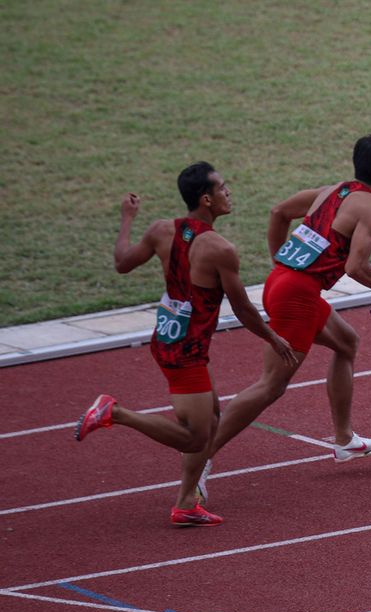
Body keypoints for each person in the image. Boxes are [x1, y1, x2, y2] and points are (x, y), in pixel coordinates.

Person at [75, 162, 297, 526]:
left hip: (167, 338)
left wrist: (127, 217)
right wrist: (273, 337)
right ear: (206, 199)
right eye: (224, 188)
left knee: (209, 420)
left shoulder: (161, 230)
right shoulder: (220, 249)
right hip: (187, 351)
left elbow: (121, 263)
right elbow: (241, 307)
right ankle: (114, 412)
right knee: (195, 439)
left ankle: (185, 503)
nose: (230, 193)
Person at [196, 134, 371, 495]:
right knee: (271, 385)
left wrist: (281, 261)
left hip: (286, 282)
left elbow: (278, 211)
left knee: (346, 343)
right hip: (296, 293)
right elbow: (357, 266)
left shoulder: (333, 190)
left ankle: (344, 439)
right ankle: (200, 457)